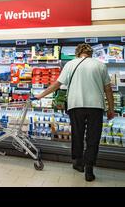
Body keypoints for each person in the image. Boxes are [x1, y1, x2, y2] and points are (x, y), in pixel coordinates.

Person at [36, 43, 115, 182]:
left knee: (77, 135)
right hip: (96, 106)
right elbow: (108, 89)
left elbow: (57, 84)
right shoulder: (100, 65)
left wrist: (41, 95)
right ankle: (89, 169)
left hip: (75, 105)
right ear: (91, 53)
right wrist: (111, 109)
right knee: (93, 138)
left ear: (77, 53)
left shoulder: (70, 64)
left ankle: (79, 163)